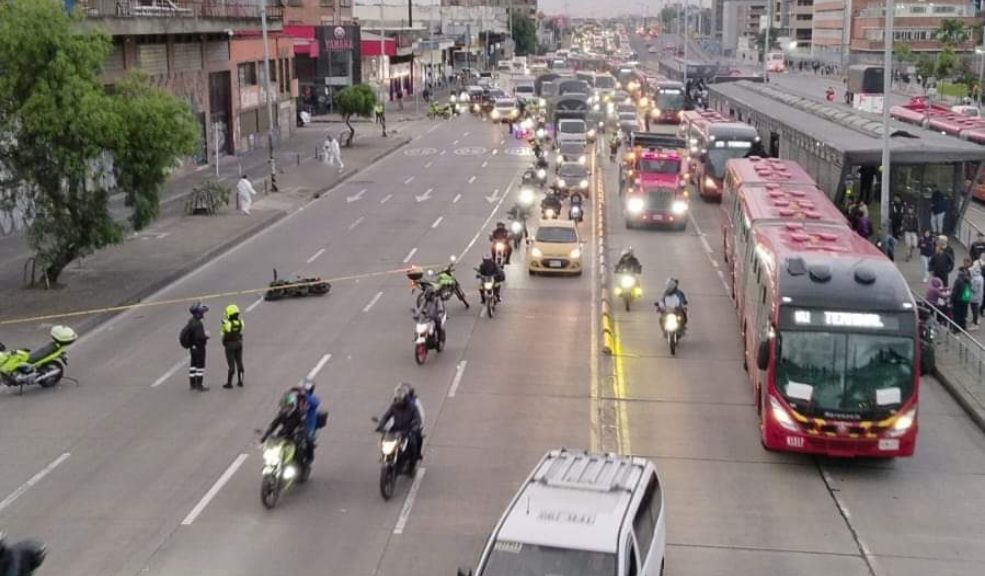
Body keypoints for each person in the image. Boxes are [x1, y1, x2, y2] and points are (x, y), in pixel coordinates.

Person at [375, 384, 423, 472]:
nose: (398, 402)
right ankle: (387, 457)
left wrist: (415, 427)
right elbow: (386, 417)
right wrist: (380, 426)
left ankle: (411, 465)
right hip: (395, 430)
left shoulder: (412, 407)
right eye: (397, 400)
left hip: (407, 431)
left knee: (413, 443)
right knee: (384, 442)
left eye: (400, 400)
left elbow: (418, 419)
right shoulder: (393, 407)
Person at [260, 388, 309, 463]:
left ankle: (301, 465)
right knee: (273, 451)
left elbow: (301, 427)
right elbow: (274, 424)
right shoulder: (281, 415)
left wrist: (298, 434)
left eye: (287, 406)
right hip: (283, 436)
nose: (285, 409)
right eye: (284, 406)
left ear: (293, 406)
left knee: (299, 452)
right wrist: (266, 436)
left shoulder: (299, 415)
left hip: (294, 437)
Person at [180, 302, 210, 392]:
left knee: (193, 365)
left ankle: (192, 384)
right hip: (199, 348)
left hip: (192, 348)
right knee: (200, 366)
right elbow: (199, 337)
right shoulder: (198, 324)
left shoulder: (191, 321)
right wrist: (206, 336)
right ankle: (199, 385)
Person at [220, 304, 245, 389]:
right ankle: (240, 381)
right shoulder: (241, 322)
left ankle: (229, 383)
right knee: (240, 362)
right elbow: (240, 332)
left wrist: (223, 323)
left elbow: (222, 333)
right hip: (238, 344)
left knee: (231, 365)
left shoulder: (227, 324)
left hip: (230, 345)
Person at [300, 379, 322, 462]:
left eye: (305, 389)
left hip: (308, 425)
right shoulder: (297, 397)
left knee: (308, 440)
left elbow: (315, 403)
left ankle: (309, 457)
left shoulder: (312, 398)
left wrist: (305, 396)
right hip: (296, 423)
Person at [951, 266, 972, 331]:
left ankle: (956, 328)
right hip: (965, 299)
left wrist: (951, 300)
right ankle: (963, 326)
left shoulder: (958, 281)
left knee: (956, 315)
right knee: (963, 313)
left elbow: (955, 292)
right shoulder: (968, 281)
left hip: (958, 300)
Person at [970, 263, 983, 329]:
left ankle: (975, 324)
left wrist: (970, 286)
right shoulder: (980, 277)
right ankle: (976, 320)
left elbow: (973, 289)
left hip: (974, 298)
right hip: (979, 297)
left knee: (974, 310)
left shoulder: (975, 280)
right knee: (976, 310)